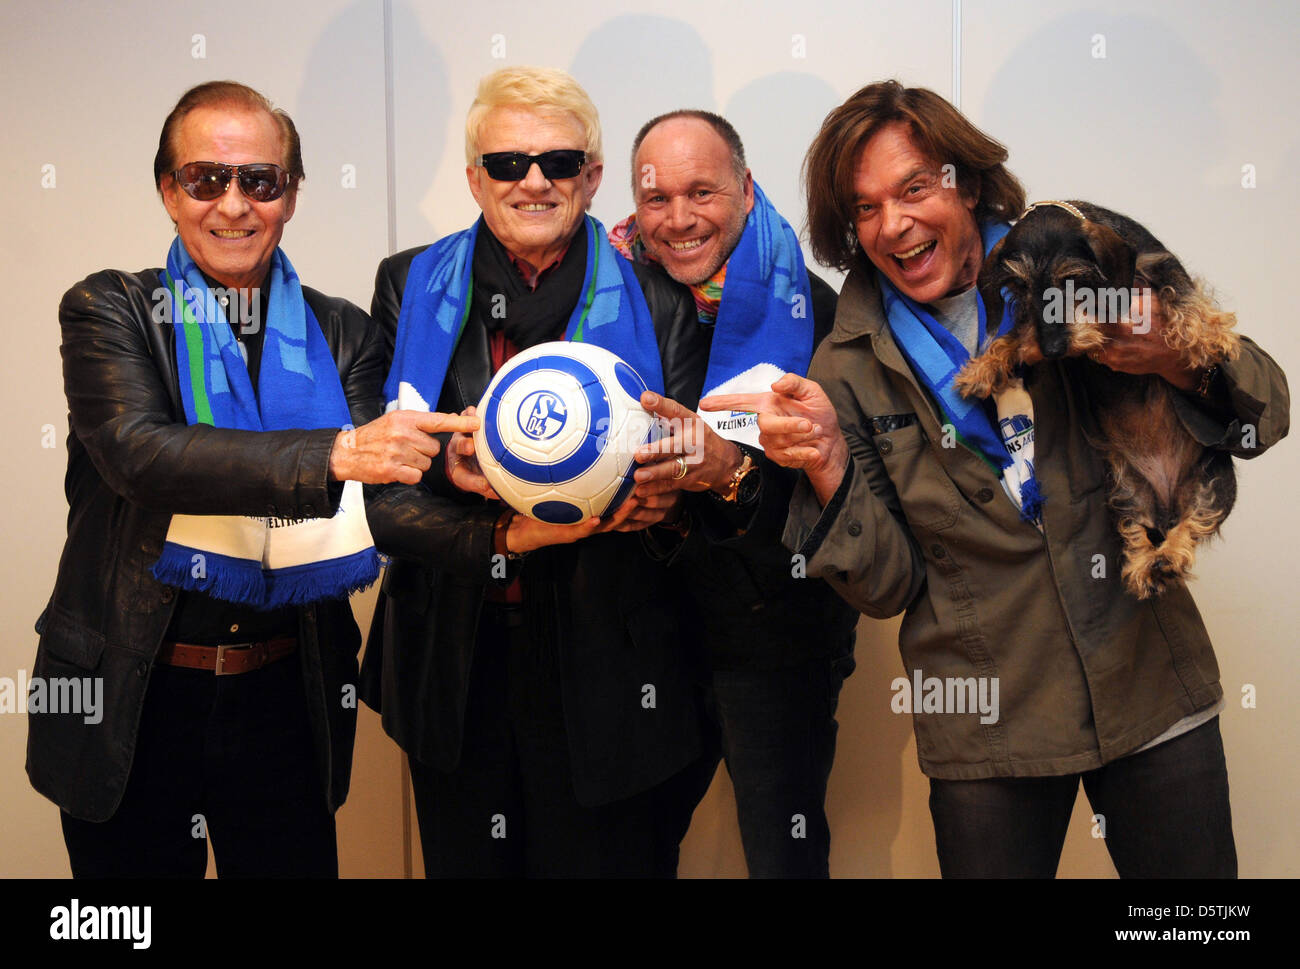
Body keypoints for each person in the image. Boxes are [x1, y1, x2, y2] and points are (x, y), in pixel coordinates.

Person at [705, 80, 1289, 877]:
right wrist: (830, 465)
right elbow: (886, 586)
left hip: (1150, 688)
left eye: (915, 188)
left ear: (967, 184)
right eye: (865, 208)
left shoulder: (1072, 262)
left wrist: (1170, 352)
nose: (895, 224)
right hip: (987, 724)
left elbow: (1267, 415)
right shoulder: (845, 364)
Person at [28, 80, 473, 878]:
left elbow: (385, 500)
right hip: (133, 689)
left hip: (287, 693)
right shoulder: (112, 308)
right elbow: (146, 455)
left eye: (259, 181)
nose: (233, 204)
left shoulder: (342, 332)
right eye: (206, 179)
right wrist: (337, 451)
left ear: (291, 195)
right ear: (169, 191)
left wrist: (508, 523)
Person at [359, 67, 707, 877]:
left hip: (614, 663)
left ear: (591, 175)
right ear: (477, 178)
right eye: (510, 163)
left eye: (559, 160)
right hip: (456, 653)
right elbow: (380, 477)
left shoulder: (662, 298)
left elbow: (701, 490)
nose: (535, 181)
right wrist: (455, 478)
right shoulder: (410, 285)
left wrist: (669, 498)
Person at [608, 110, 858, 877]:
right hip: (642, 631)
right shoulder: (606, 294)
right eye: (656, 199)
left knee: (783, 856)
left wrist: (727, 472)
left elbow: (840, 498)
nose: (678, 220)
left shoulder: (814, 308)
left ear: (747, 191)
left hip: (775, 635)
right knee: (625, 851)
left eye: (703, 192)